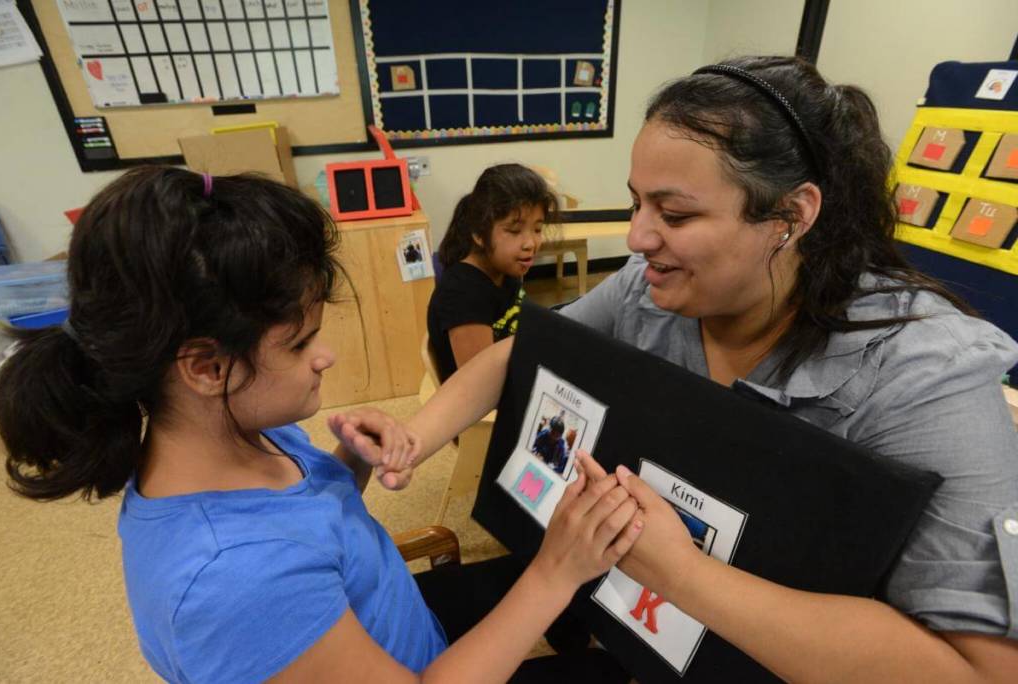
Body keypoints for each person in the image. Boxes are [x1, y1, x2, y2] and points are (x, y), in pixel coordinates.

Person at [370, 56, 1018, 680]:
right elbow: (524, 351)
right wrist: (415, 437)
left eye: (674, 214)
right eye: (637, 204)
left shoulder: (926, 378)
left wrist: (679, 574)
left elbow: (983, 671)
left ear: (790, 217)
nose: (636, 238)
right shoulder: (644, 288)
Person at [0, 167, 643, 683]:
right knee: (595, 650)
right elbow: (278, 567)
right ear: (205, 367)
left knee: (580, 599)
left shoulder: (241, 432)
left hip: (396, 625)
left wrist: (350, 463)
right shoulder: (235, 583)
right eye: (302, 344)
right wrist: (553, 573)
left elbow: (303, 526)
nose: (324, 357)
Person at [427, 163, 557, 380]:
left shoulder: (506, 272)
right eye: (514, 231)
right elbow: (481, 384)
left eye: (537, 229)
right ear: (479, 233)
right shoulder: (462, 294)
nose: (530, 243)